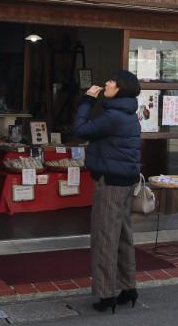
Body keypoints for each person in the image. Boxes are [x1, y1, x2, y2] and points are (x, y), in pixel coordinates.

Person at [74, 69, 142, 314]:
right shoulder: (127, 113)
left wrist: (87, 100)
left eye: (111, 80)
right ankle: (128, 287)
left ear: (120, 88)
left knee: (105, 237)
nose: (106, 83)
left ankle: (106, 294)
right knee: (123, 235)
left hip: (111, 183)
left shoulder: (113, 116)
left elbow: (81, 129)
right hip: (125, 181)